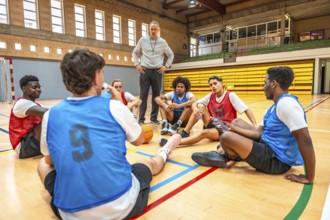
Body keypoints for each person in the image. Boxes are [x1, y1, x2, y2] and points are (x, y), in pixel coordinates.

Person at [37, 48, 182, 219]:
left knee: (42, 164)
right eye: (102, 72)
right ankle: (165, 152)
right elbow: (140, 139)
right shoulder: (114, 107)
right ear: (96, 78)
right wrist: (120, 104)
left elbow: (50, 161)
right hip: (121, 206)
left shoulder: (49, 115)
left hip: (69, 214)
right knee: (146, 163)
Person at [192, 66, 315, 184]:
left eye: (264, 82)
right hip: (268, 145)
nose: (263, 87)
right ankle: (227, 150)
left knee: (225, 137)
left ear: (273, 84)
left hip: (277, 161)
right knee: (236, 122)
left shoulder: (287, 104)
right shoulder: (275, 106)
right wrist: (232, 128)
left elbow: (305, 140)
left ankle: (227, 154)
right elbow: (258, 133)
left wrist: (309, 177)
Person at [159, 75, 257, 148]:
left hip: (225, 128)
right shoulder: (210, 96)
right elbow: (195, 103)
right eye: (211, 85)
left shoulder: (231, 95)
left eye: (215, 83)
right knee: (200, 108)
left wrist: (254, 124)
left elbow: (246, 110)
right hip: (212, 122)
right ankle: (185, 132)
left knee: (203, 134)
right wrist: (196, 108)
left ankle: (172, 143)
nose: (213, 86)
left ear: (221, 83)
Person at [132, 21, 174, 125]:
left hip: (157, 71)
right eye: (152, 29)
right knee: (143, 95)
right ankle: (141, 119)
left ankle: (154, 118)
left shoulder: (163, 42)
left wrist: (166, 66)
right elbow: (135, 52)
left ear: (158, 29)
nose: (153, 31)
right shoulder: (143, 40)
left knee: (156, 96)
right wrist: (137, 64)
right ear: (149, 29)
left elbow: (171, 55)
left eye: (155, 29)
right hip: (145, 70)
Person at [9, 75, 48, 159]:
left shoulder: (38, 105)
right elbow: (48, 113)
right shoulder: (21, 103)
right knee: (47, 118)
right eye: (34, 87)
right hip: (23, 147)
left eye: (39, 87)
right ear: (24, 89)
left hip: (33, 143)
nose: (38, 89)